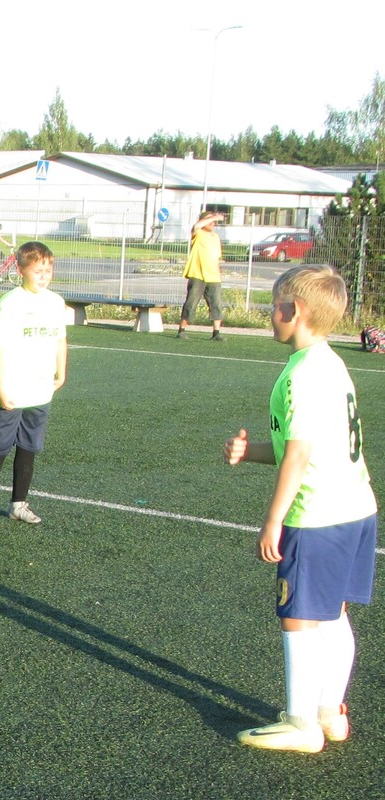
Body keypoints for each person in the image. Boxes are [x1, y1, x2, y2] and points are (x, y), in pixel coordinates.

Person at [224, 265, 377, 754]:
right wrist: (251, 452)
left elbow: (299, 455)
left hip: (318, 516)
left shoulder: (303, 374)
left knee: (299, 618)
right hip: (357, 507)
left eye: (275, 306)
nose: (271, 314)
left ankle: (301, 723)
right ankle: (330, 712)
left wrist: (274, 520)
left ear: (295, 311)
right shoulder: (331, 363)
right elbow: (306, 443)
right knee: (333, 614)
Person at [0, 241, 67, 526]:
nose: (44, 276)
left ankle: (19, 504)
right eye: (38, 271)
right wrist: (1, 389)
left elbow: (60, 339)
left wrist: (61, 373)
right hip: (11, 391)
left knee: (29, 448)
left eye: (48, 270)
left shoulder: (55, 302)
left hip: (40, 391)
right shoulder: (10, 303)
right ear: (21, 270)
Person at [176, 211, 226, 340]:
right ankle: (182, 330)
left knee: (216, 304)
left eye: (213, 221)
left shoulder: (215, 237)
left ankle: (216, 333)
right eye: (209, 220)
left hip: (213, 276)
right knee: (191, 303)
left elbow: (216, 257)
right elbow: (197, 226)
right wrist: (215, 216)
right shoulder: (198, 233)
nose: (212, 222)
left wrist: (218, 273)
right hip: (197, 274)